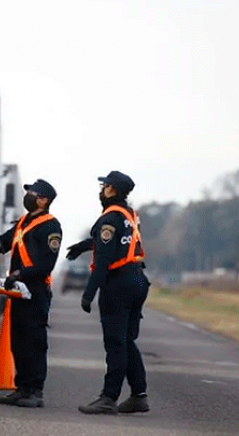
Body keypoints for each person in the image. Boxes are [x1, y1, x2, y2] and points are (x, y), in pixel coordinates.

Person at [67, 170, 150, 415]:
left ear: (111, 189)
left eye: (104, 186)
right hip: (138, 278)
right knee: (127, 340)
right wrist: (84, 246)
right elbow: (115, 242)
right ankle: (139, 395)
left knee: (115, 343)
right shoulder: (129, 215)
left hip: (119, 283)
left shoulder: (109, 219)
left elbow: (103, 261)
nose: (101, 190)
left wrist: (88, 294)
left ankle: (108, 397)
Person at [0, 179, 63, 408]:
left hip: (36, 290)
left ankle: (35, 390)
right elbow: (10, 237)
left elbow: (46, 264)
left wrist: (21, 274)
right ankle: (22, 387)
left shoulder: (51, 227)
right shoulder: (24, 222)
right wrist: (0, 243)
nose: (28, 196)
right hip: (19, 291)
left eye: (32, 193)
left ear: (44, 200)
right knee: (18, 341)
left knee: (34, 341)